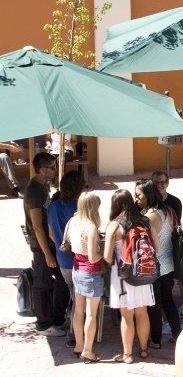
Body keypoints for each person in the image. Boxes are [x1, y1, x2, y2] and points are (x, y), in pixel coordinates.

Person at [104, 189, 156, 364]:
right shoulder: (145, 221)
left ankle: (127, 355)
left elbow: (107, 256)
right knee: (142, 312)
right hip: (144, 273)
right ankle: (143, 349)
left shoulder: (114, 226)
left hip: (123, 277)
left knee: (127, 316)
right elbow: (157, 248)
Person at [23, 152, 70, 337]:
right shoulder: (35, 191)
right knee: (41, 284)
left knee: (61, 279)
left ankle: (57, 317)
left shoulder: (43, 186)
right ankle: (44, 324)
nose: (54, 170)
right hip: (40, 245)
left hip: (49, 243)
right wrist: (47, 253)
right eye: (52, 167)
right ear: (42, 170)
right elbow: (36, 226)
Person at [134, 179, 180, 348]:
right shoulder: (167, 210)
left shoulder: (149, 216)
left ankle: (155, 339)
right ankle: (177, 334)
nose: (136, 198)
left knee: (154, 304)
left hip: (155, 266)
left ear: (148, 195)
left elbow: (144, 243)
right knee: (168, 300)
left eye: (139, 195)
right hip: (168, 263)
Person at [47, 170, 86, 347]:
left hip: (62, 258)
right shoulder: (80, 207)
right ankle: (73, 334)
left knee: (73, 293)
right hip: (78, 258)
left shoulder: (53, 206)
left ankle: (73, 330)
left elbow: (51, 233)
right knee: (77, 298)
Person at [150, 170, 183, 322]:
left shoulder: (175, 202)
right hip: (156, 247)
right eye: (157, 182)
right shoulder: (148, 201)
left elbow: (176, 225)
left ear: (167, 183)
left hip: (171, 244)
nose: (160, 185)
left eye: (163, 182)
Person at [67, 192, 104, 363]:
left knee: (78, 311)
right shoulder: (90, 227)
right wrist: (104, 252)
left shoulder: (73, 221)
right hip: (91, 273)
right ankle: (88, 351)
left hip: (76, 270)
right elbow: (92, 257)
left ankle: (78, 345)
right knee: (91, 314)